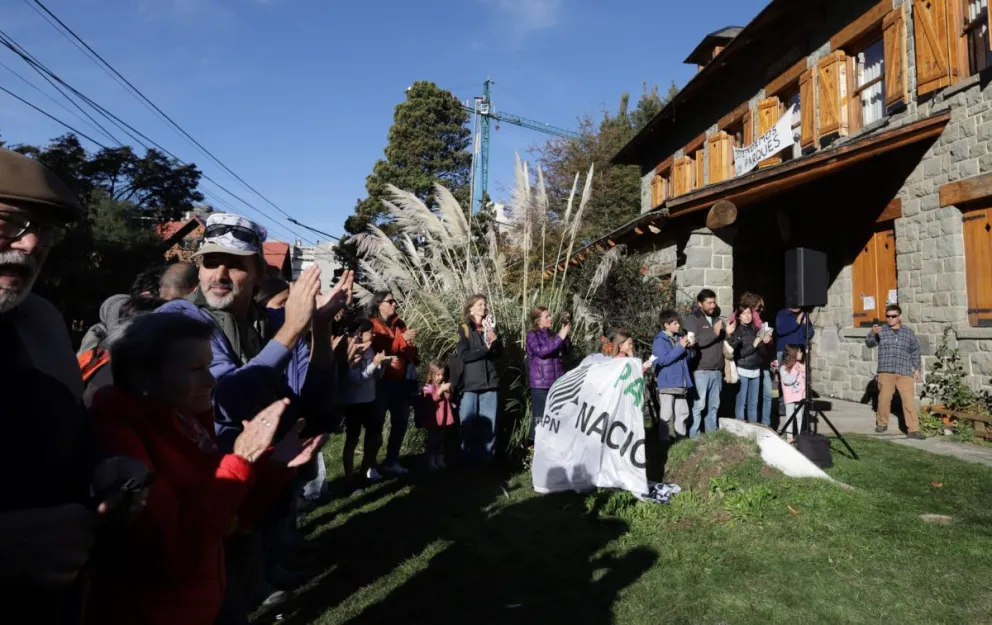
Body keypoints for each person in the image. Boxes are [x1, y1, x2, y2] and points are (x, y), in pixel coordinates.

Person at [156, 213, 349, 617]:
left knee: (243, 587)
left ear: (259, 272)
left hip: (260, 483)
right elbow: (226, 398)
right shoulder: (182, 319)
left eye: (235, 263)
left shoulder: (276, 323)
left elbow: (313, 403)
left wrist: (317, 327)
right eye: (211, 261)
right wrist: (290, 333)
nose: (219, 273)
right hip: (204, 490)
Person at [85, 313, 326, 625]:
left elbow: (230, 519)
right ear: (143, 377)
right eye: (196, 369)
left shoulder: (185, 420)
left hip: (206, 597)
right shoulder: (119, 437)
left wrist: (270, 465)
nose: (211, 380)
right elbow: (173, 548)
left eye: (209, 366)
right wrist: (240, 461)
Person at [0, 146, 149, 624]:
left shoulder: (40, 321)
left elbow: (68, 427)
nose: (30, 244)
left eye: (44, 230)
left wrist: (104, 466)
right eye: (9, 223)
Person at [369, 291, 419, 475]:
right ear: (378, 304)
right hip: (382, 382)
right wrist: (403, 341)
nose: (394, 304)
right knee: (377, 424)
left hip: (401, 381)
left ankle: (391, 460)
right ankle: (371, 465)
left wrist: (410, 349)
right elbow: (380, 347)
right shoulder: (373, 325)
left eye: (394, 301)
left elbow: (408, 348)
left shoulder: (399, 323)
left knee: (401, 422)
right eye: (390, 301)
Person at [682, 289, 736, 437]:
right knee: (699, 406)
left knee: (714, 406)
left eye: (714, 302)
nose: (713, 305)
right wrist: (715, 333)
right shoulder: (692, 320)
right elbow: (693, 342)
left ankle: (712, 436)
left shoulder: (718, 320)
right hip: (700, 370)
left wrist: (729, 334)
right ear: (700, 304)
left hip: (717, 370)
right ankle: (694, 437)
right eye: (709, 302)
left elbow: (726, 342)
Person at [456, 294, 502, 464]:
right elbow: (464, 355)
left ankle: (486, 460)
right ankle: (466, 458)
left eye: (484, 304)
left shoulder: (489, 326)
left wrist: (495, 342)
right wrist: (485, 349)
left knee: (490, 423)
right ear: (471, 308)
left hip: (490, 382)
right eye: (480, 304)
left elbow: (499, 355)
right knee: (467, 423)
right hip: (470, 383)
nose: (484, 307)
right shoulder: (464, 328)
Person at [867, 304, 924, 439]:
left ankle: (913, 430)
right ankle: (882, 423)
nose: (890, 319)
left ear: (900, 317)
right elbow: (869, 344)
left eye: (893, 316)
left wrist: (917, 369)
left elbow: (915, 350)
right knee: (884, 399)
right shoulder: (880, 331)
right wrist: (872, 334)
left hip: (904, 371)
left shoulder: (908, 332)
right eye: (888, 316)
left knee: (909, 400)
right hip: (886, 371)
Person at [342, 319, 388, 485]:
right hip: (354, 403)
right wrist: (374, 365)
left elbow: (374, 375)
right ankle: (349, 479)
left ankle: (363, 474)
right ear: (360, 333)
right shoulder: (351, 351)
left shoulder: (370, 351)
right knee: (352, 440)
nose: (373, 334)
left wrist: (381, 366)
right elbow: (355, 378)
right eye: (370, 331)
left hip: (370, 400)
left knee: (374, 439)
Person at [525, 306, 571, 442]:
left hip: (556, 383)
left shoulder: (552, 334)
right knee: (539, 418)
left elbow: (567, 350)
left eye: (550, 316)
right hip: (541, 384)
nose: (550, 318)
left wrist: (565, 333)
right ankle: (532, 449)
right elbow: (541, 351)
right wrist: (559, 337)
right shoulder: (532, 335)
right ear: (538, 320)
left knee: (556, 417)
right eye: (547, 317)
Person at [727, 305, 773, 425]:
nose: (748, 316)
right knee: (741, 402)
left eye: (749, 313)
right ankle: (741, 430)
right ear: (739, 316)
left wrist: (764, 342)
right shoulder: (737, 331)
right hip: (742, 369)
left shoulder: (755, 329)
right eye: (744, 314)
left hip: (756, 370)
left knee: (753, 403)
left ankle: (753, 429)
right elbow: (739, 354)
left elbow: (762, 352)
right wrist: (754, 344)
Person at [652, 310, 693, 440]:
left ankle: (681, 440)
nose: (678, 326)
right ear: (666, 325)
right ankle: (664, 442)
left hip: (680, 382)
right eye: (675, 323)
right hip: (668, 383)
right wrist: (680, 347)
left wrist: (689, 348)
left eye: (678, 323)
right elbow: (663, 360)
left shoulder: (679, 338)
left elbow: (685, 360)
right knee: (666, 414)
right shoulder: (660, 340)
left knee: (682, 412)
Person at [419, 361, 456, 470]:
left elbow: (449, 399)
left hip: (443, 418)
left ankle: (440, 459)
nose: (440, 377)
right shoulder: (428, 388)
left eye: (442, 374)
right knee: (432, 440)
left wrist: (447, 391)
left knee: (441, 439)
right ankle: (431, 460)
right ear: (431, 375)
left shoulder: (443, 385)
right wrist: (440, 390)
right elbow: (431, 400)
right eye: (438, 375)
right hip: (433, 419)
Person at [779, 345, 806, 443]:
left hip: (800, 397)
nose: (802, 353)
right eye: (799, 352)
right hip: (790, 397)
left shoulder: (800, 364)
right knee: (790, 417)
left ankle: (800, 435)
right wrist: (795, 372)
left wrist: (804, 372)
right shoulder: (784, 368)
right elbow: (787, 380)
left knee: (800, 417)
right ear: (794, 354)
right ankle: (789, 436)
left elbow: (805, 379)